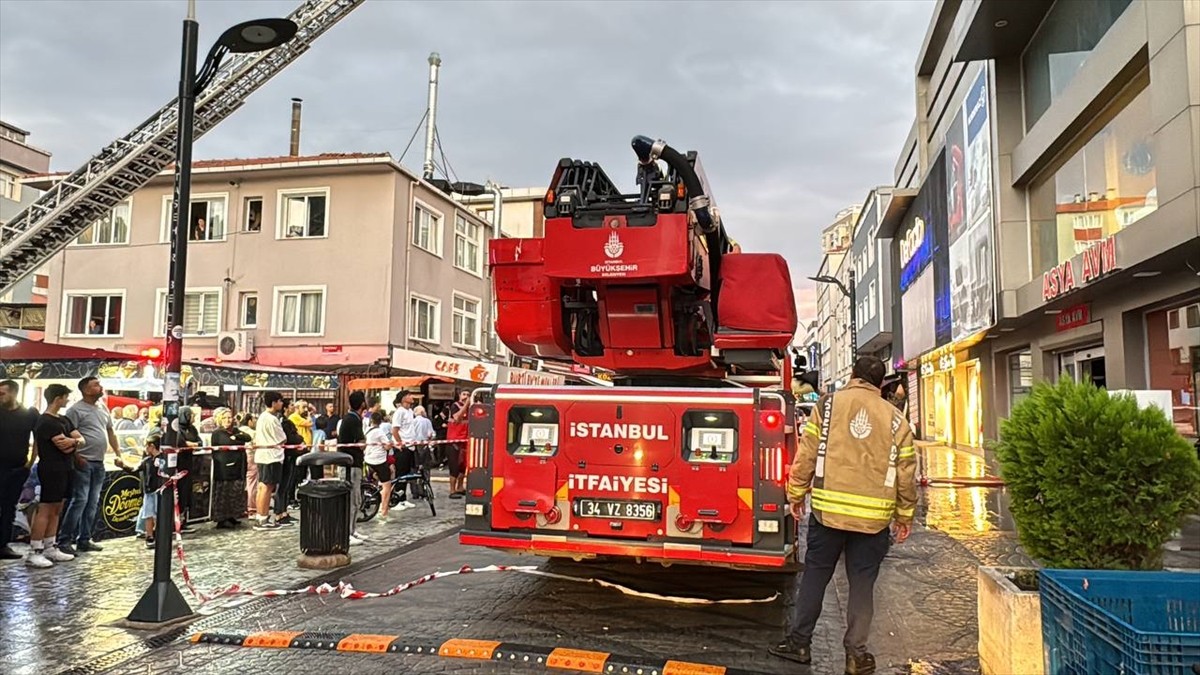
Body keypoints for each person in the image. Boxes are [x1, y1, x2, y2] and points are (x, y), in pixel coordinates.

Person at [771, 356, 918, 674]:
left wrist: (796, 494)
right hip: (873, 520)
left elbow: (807, 452)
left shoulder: (827, 406)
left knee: (816, 575)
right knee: (862, 585)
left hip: (828, 515)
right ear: (880, 384)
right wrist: (904, 517)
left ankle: (799, 643)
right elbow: (906, 473)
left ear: (852, 376)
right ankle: (855, 655)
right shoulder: (896, 420)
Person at [59, 376, 121, 554]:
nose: (100, 387)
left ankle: (84, 538)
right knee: (80, 500)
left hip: (99, 462)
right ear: (85, 389)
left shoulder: (102, 407)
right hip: (83, 462)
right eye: (96, 385)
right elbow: (70, 436)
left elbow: (110, 430)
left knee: (92, 502)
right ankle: (64, 539)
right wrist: (76, 456)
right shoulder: (75, 410)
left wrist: (118, 452)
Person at [27, 384, 85, 568]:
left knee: (57, 508)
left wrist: (74, 441)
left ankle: (50, 546)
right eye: (66, 397)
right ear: (58, 398)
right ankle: (35, 550)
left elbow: (81, 440)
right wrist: (75, 442)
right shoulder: (46, 422)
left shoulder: (64, 419)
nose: (68, 400)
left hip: (66, 468)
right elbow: (64, 446)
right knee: (46, 508)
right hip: (51, 468)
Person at [0, 380, 40, 560]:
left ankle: (3, 545)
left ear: (14, 393)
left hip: (17, 468)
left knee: (9, 507)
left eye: (2, 393)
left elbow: (38, 437)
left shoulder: (29, 414)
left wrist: (30, 462)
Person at [252, 392, 288, 529]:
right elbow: (282, 438)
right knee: (267, 487)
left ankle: (260, 516)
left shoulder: (262, 417)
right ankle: (263, 518)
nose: (282, 403)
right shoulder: (272, 419)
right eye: (280, 401)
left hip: (263, 455)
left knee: (263, 486)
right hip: (271, 457)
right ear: (273, 403)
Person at [338, 392, 370, 544]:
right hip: (350, 466)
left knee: (356, 499)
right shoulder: (352, 419)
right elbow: (361, 442)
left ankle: (352, 530)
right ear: (362, 403)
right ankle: (347, 533)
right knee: (351, 499)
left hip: (354, 464)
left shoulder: (354, 418)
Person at [390, 392, 418, 510]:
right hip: (402, 447)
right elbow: (395, 430)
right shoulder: (399, 412)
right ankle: (397, 500)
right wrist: (400, 443)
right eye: (409, 395)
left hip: (410, 446)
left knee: (406, 474)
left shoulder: (411, 412)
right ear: (403, 398)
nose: (412, 397)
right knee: (400, 474)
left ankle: (403, 498)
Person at [364, 412, 393, 524]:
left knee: (379, 477)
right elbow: (386, 446)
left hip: (368, 459)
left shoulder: (367, 430)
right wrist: (390, 444)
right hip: (378, 460)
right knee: (387, 485)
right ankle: (384, 511)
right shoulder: (380, 432)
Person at [446, 390, 470, 498]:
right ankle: (452, 490)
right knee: (454, 466)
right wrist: (466, 405)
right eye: (464, 394)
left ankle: (460, 487)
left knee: (463, 465)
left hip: (465, 440)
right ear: (460, 395)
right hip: (454, 440)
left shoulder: (471, 408)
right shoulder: (455, 406)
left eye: (468, 395)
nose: (466, 397)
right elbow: (456, 417)